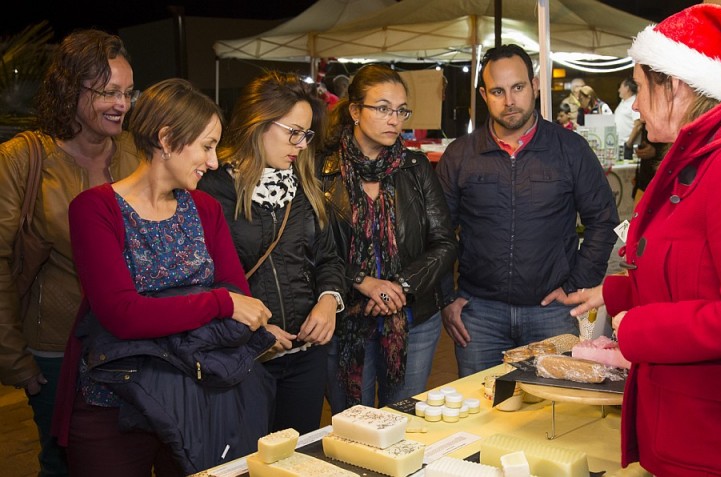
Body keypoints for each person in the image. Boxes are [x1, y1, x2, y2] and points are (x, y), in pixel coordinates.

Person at [564, 4, 721, 475]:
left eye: (639, 87)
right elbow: (696, 272)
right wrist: (617, 294)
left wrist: (637, 329)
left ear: (675, 85)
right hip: (688, 424)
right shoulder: (704, 159)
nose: (632, 104)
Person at [53, 78, 275, 476]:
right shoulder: (96, 209)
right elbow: (122, 314)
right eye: (206, 146)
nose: (213, 161)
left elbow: (238, 295)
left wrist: (208, 304)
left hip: (195, 398)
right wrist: (216, 304)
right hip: (114, 402)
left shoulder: (205, 208)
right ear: (167, 138)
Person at [0, 29, 141, 477]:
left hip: (130, 346)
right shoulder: (22, 157)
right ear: (69, 90)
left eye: (128, 92)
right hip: (57, 350)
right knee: (63, 463)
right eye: (107, 92)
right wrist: (14, 359)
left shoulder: (134, 153)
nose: (122, 103)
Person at [436, 44, 619, 378]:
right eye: (497, 91)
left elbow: (603, 221)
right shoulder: (460, 155)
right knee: (480, 415)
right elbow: (437, 233)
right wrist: (447, 297)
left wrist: (577, 283)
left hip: (550, 312)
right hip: (479, 314)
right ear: (483, 94)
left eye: (518, 87)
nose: (509, 101)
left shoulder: (570, 150)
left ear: (534, 86)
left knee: (548, 417)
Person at [198, 70, 346, 435]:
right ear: (257, 123)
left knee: (295, 459)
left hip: (306, 356)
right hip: (245, 358)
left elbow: (329, 257)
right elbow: (201, 282)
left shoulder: (304, 185)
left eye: (307, 134)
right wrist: (253, 331)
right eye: (293, 132)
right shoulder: (210, 190)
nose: (301, 145)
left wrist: (329, 300)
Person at [318, 63, 457, 412]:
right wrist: (361, 281)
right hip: (345, 319)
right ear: (354, 111)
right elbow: (312, 250)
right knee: (352, 426)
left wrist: (399, 287)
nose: (395, 119)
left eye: (401, 110)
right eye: (382, 108)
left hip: (412, 320)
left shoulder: (415, 166)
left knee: (403, 422)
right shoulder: (321, 169)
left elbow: (444, 242)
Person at [614, 77, 642, 159]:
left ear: (627, 88)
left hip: (630, 148)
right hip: (620, 146)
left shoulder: (634, 102)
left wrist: (629, 143)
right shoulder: (623, 102)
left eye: (621, 87)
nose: (618, 90)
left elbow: (638, 125)